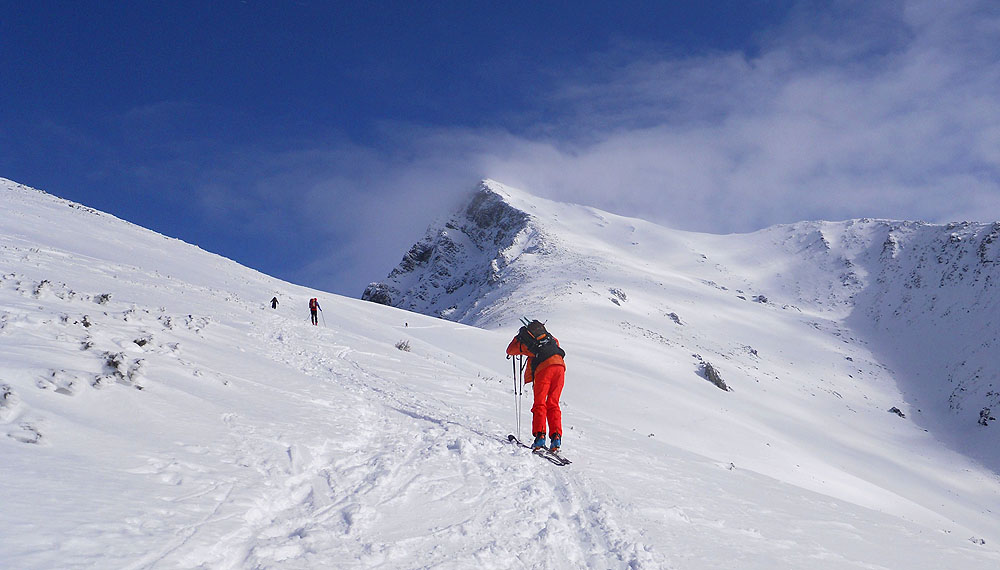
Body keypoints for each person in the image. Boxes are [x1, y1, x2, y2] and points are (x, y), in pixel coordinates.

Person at [506, 320, 566, 451]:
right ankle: (556, 438)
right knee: (553, 403)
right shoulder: (551, 338)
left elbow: (510, 350)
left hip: (544, 369)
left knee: (540, 404)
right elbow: (557, 345)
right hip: (560, 367)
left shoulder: (528, 342)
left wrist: (518, 338)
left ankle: (540, 437)